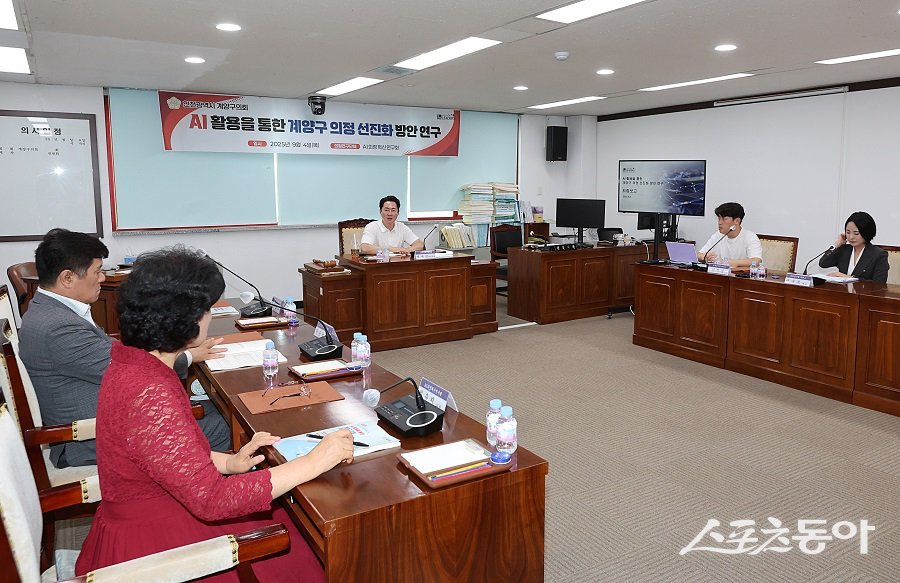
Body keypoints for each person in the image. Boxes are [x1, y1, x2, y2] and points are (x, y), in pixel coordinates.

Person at [74, 247, 355, 581]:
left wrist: (226, 462)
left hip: (155, 510)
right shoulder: (150, 392)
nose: (208, 316)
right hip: (159, 546)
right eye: (206, 309)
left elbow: (160, 455)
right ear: (187, 321)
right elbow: (213, 501)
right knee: (311, 548)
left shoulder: (132, 362)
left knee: (288, 515)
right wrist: (314, 461)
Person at [18, 229, 230, 468]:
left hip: (109, 419)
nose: (102, 278)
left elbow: (114, 353)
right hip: (88, 438)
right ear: (67, 278)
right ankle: (210, 496)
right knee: (224, 426)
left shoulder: (53, 310)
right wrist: (187, 354)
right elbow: (130, 371)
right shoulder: (57, 327)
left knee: (215, 408)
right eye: (97, 272)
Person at [819, 211, 889, 282]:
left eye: (856, 233)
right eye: (848, 232)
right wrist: (836, 244)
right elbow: (823, 263)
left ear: (867, 233)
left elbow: (879, 283)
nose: (851, 237)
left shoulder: (878, 254)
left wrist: (849, 278)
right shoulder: (844, 249)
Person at [697, 202, 763, 268]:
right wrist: (705, 256)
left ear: (737, 221)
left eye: (725, 219)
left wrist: (726, 262)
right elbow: (699, 254)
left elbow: (756, 260)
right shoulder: (717, 235)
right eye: (719, 218)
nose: (720, 223)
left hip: (739, 276)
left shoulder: (750, 237)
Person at [359, 195, 424, 255]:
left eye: (393, 210)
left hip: (397, 264)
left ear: (398, 212)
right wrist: (390, 249)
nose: (390, 214)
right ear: (380, 211)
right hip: (377, 264)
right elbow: (364, 248)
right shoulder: (371, 227)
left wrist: (406, 250)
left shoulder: (402, 227)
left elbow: (419, 244)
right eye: (386, 210)